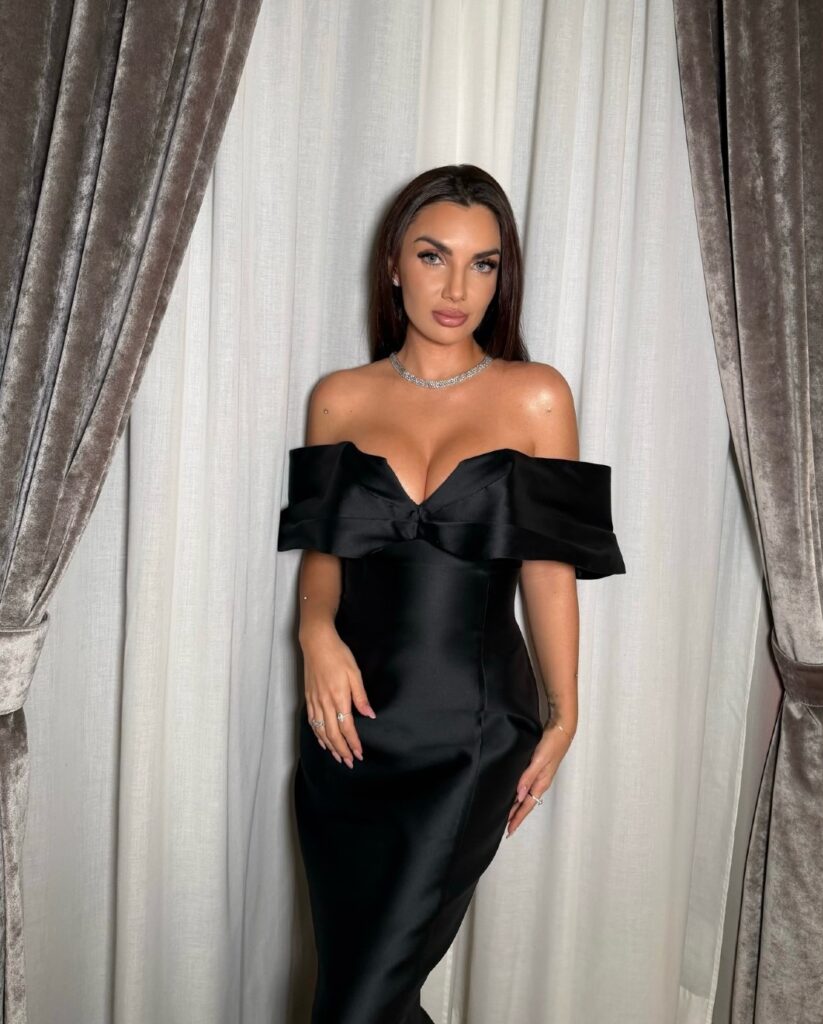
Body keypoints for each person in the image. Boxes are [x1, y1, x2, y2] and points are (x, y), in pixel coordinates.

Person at [278, 164, 625, 1024]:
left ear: (503, 276)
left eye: (484, 264)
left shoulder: (536, 396)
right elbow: (324, 555)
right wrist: (315, 635)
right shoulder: (340, 397)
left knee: (358, 1005)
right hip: (347, 733)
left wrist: (564, 714)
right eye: (434, 256)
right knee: (361, 993)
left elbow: (548, 571)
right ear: (393, 265)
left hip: (470, 737)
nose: (457, 288)